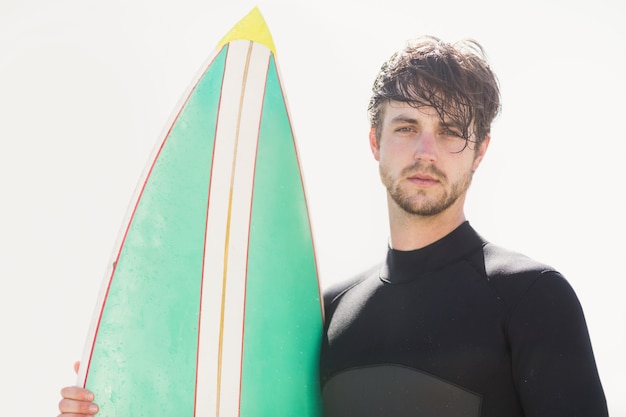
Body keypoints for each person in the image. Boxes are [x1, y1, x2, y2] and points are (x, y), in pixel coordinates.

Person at [57, 36, 608, 417]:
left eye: (449, 132)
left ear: (480, 151)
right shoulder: (324, 315)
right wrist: (117, 399)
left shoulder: (530, 298)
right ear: (374, 141)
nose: (425, 151)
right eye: (407, 126)